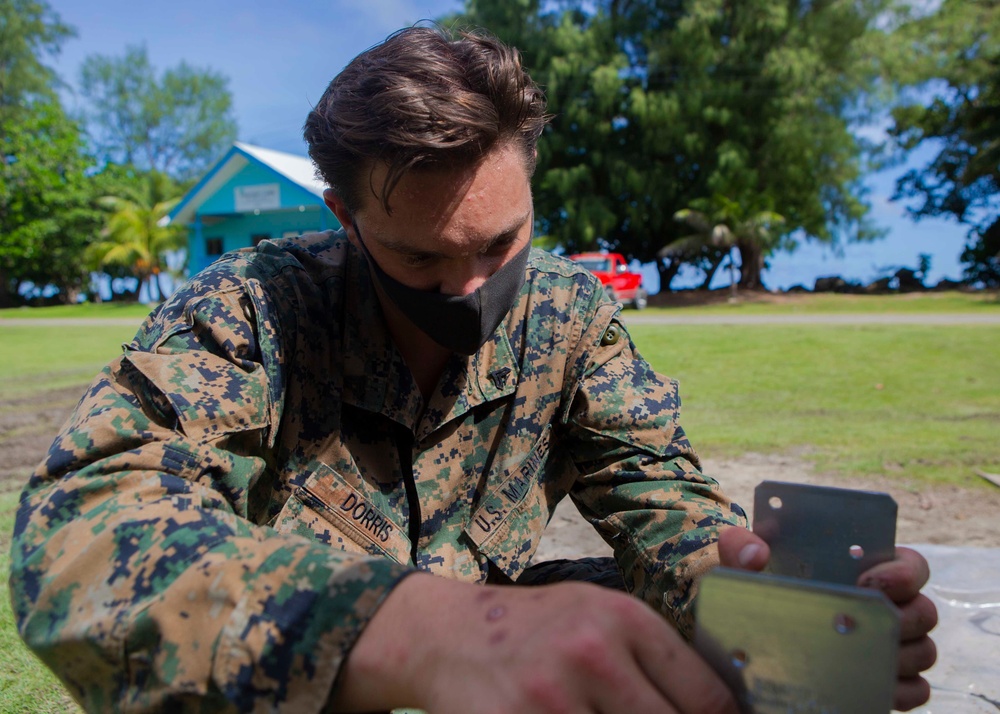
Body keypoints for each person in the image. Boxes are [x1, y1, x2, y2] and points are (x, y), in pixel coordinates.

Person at [9, 25, 935, 714]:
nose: (471, 288)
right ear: (343, 214)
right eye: (420, 260)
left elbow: (658, 493)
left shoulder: (570, 315)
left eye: (502, 242)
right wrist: (421, 629)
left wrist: (750, 603)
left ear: (531, 179)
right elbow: (79, 538)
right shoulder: (256, 305)